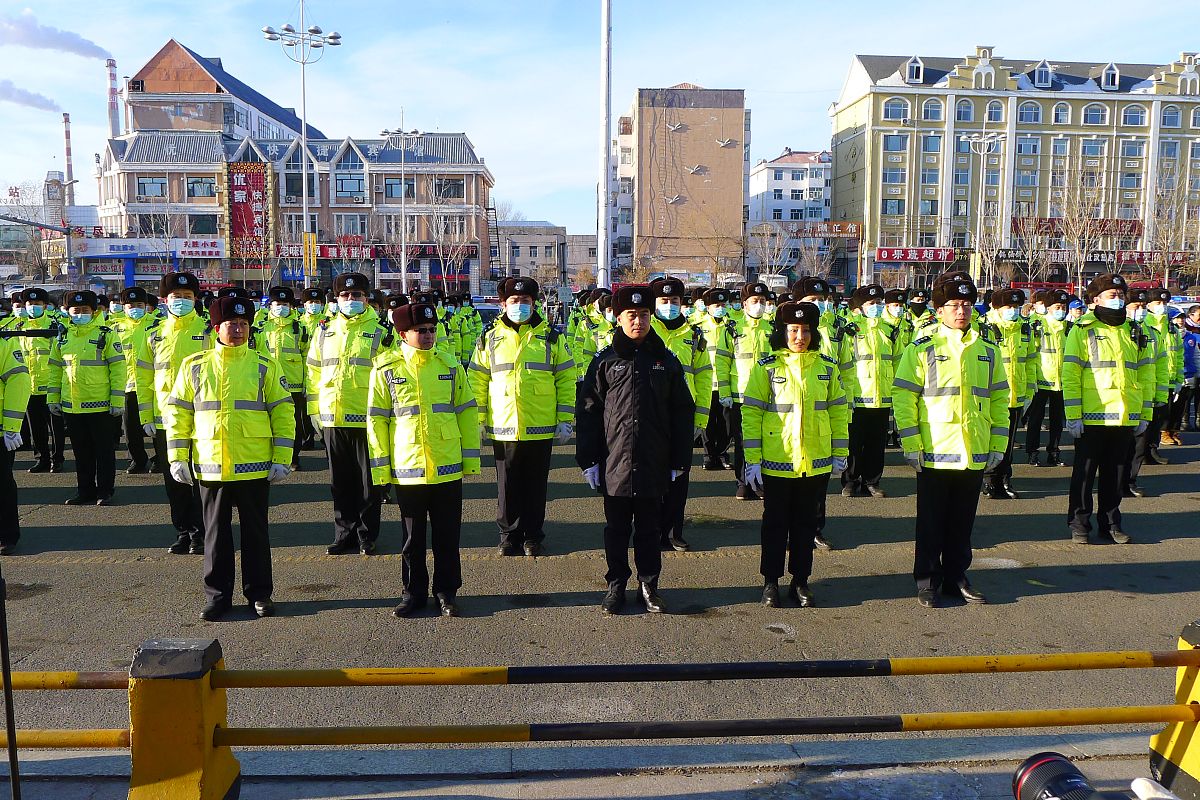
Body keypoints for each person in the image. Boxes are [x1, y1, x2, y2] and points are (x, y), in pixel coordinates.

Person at [165, 296, 294, 621]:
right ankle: (218, 596)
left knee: (256, 534)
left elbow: (283, 411)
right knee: (215, 535)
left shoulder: (264, 364)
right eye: (231, 324)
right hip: (211, 465)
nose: (237, 330)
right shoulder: (194, 365)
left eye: (243, 325)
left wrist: (282, 456)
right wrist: (177, 456)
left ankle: (260, 594)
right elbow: (178, 412)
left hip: (254, 464)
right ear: (216, 327)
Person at [893, 274, 1009, 608]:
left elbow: (1000, 398)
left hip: (974, 448)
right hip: (935, 449)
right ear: (939, 310)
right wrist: (911, 444)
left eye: (967, 305)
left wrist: (997, 444)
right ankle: (927, 580)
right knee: (931, 522)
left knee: (962, 522)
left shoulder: (987, 350)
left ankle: (957, 576)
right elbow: (904, 396)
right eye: (954, 305)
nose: (961, 311)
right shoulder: (923, 348)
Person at [576, 285, 694, 615]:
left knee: (649, 529)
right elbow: (588, 409)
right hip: (614, 462)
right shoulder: (605, 361)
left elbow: (682, 411)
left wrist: (679, 460)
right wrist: (589, 459)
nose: (638, 322)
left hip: (653, 461)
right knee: (615, 530)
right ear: (617, 317)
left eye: (643, 315)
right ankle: (616, 585)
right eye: (631, 315)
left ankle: (649, 585)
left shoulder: (665, 361)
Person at [368, 302, 480, 618]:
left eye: (432, 330)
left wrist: (470, 459)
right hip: (408, 469)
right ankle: (413, 593)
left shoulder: (449, 366)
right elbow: (376, 420)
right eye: (421, 331)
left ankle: (447, 593)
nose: (429, 335)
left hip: (446, 467)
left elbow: (467, 412)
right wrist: (381, 470)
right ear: (403, 333)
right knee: (412, 539)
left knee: (447, 538)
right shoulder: (386, 369)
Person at [741, 300, 849, 608]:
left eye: (805, 330)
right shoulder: (767, 367)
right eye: (793, 330)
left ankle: (800, 581)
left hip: (814, 463)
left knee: (805, 526)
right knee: (774, 526)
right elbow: (751, 414)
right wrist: (753, 460)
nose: (799, 336)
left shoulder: (827, 368)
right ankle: (770, 582)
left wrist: (840, 451)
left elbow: (839, 411)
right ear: (782, 332)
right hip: (778, 462)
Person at [467, 277, 574, 557]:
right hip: (504, 426)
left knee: (535, 487)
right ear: (503, 304)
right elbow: (477, 380)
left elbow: (565, 378)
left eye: (525, 301)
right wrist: (477, 420)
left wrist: (565, 418)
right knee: (507, 486)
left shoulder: (551, 336)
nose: (519, 306)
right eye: (513, 301)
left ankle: (532, 536)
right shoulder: (489, 338)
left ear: (533, 303)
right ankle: (508, 535)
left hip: (540, 426)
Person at [1062, 274, 1155, 545]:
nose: (1118, 300)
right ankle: (1079, 524)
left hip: (1125, 416)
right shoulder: (1082, 330)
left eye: (1121, 295)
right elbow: (1070, 375)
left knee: (1115, 477)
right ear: (1095, 300)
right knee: (1084, 475)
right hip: (1092, 418)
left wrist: (1144, 414)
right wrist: (1073, 415)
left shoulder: (1135, 331)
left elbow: (1146, 375)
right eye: (1112, 296)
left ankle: (1111, 523)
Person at [306, 272, 394, 555]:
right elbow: (313, 372)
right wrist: (314, 410)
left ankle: (366, 535)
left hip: (368, 417)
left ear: (366, 299)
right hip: (333, 416)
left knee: (368, 484)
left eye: (356, 295)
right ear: (336, 299)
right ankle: (343, 534)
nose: (350, 300)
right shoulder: (324, 331)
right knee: (340, 483)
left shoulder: (381, 331)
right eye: (345, 295)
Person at [135, 271, 214, 554]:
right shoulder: (153, 335)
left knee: (202, 478)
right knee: (174, 480)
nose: (181, 301)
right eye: (176, 297)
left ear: (196, 299)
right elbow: (143, 380)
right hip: (165, 420)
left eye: (187, 297)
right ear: (164, 300)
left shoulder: (208, 331)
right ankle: (183, 530)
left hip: (201, 419)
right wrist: (145, 417)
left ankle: (204, 532)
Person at [46, 290, 125, 506]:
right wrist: (52, 398)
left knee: (104, 452)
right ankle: (85, 491)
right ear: (68, 312)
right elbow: (54, 370)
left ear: (94, 311)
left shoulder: (105, 334)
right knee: (81, 453)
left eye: (85, 310)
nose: (80, 314)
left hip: (100, 406)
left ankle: (105, 491)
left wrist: (117, 401)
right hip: (72, 406)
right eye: (75, 310)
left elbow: (118, 369)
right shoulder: (62, 336)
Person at [650, 277, 712, 549]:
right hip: (650, 415)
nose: (669, 306)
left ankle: (674, 531)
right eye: (664, 301)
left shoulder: (694, 335)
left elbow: (704, 377)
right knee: (650, 477)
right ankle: (650, 530)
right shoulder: (644, 330)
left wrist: (701, 418)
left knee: (679, 477)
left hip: (682, 416)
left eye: (674, 301)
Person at [841, 283, 897, 498]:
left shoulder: (889, 329)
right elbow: (844, 363)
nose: (877, 307)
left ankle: (872, 481)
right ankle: (850, 481)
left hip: (882, 397)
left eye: (879, 303)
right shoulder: (850, 329)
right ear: (861, 307)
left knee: (876, 444)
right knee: (854, 444)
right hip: (858, 397)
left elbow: (898, 362)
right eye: (872, 303)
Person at [981, 288, 1037, 500]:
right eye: (1008, 307)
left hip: (1017, 396)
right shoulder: (984, 328)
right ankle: (988, 479)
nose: (1013, 311)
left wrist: (1030, 389)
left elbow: (1031, 361)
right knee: (990, 440)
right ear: (996, 308)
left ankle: (1004, 479)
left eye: (1016, 307)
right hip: (992, 397)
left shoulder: (1024, 329)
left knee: (1008, 442)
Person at [1121, 288, 1170, 498]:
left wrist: (1161, 396)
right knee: (1120, 447)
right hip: (1123, 398)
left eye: (1142, 307)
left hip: (1145, 398)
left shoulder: (1152, 332)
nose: (1139, 310)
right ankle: (1116, 482)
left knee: (1138, 446)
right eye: (1135, 306)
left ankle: (1130, 482)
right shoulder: (1120, 330)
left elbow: (1159, 366)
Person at [254, 286, 310, 471]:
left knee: (293, 423)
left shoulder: (299, 327)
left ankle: (293, 457)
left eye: (285, 304)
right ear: (270, 305)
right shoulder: (260, 327)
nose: (281, 307)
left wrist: (306, 382)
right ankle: (269, 456)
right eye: (278, 303)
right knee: (266, 422)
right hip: (266, 382)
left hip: (293, 383)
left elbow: (306, 355)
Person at [18, 288, 65, 473]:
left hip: (50, 384)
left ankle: (57, 458)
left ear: (45, 305)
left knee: (55, 426)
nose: (33, 307)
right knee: (36, 427)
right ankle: (42, 458)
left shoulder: (54, 325)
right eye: (30, 304)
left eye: (37, 304)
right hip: (29, 385)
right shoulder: (20, 326)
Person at [111, 287, 157, 473]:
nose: (135, 308)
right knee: (131, 429)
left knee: (156, 424)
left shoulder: (156, 324)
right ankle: (137, 459)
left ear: (146, 305)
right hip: (128, 385)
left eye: (140, 305)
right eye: (131, 305)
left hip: (152, 384)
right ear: (124, 307)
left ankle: (160, 458)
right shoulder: (115, 328)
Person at [1025, 288, 1071, 468]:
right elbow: (1032, 353)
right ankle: (1032, 452)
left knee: (1057, 421)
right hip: (1041, 380)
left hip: (1061, 382)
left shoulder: (1069, 328)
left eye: (1064, 306)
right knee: (1035, 420)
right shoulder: (1038, 325)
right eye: (1058, 306)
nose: (1061, 310)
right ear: (1048, 307)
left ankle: (1054, 452)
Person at [697, 288, 736, 471]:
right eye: (716, 305)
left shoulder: (733, 325)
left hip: (726, 383)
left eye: (723, 305)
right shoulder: (697, 325)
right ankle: (708, 455)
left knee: (726, 424)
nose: (720, 308)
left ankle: (722, 453)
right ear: (708, 307)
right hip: (707, 382)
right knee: (707, 422)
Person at [0, 326, 31, 554]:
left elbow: (19, 382)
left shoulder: (4, 344)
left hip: (0, 431)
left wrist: (11, 427)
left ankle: (6, 535)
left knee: (1, 485)